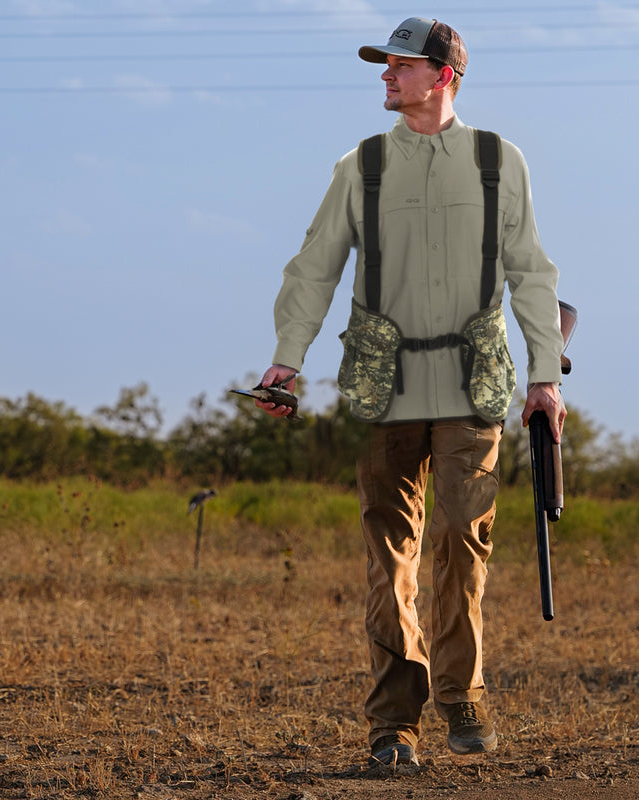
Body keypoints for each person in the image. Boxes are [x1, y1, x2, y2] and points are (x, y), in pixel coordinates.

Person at [254, 17, 566, 767]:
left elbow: (531, 272)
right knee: (390, 556)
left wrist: (545, 377)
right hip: (381, 392)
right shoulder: (359, 166)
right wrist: (284, 360)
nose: (387, 77)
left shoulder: (500, 161)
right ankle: (394, 723)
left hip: (473, 387)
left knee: (465, 536)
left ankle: (462, 696)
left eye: (400, 66)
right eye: (385, 66)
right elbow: (313, 267)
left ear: (443, 75)